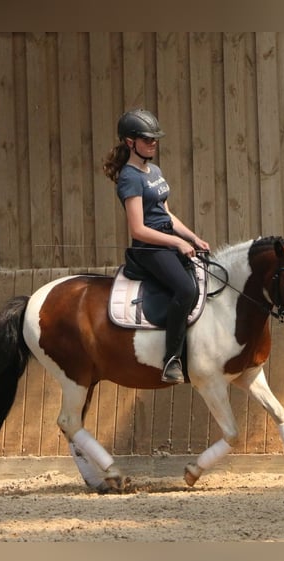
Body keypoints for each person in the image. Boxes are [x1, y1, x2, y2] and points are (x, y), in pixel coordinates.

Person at [103, 109, 210, 384]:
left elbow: (167, 215)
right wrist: (176, 242)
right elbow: (138, 229)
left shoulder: (154, 171)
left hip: (167, 241)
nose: (153, 144)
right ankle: (171, 359)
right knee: (185, 289)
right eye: (147, 139)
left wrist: (193, 237)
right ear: (130, 142)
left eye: (155, 139)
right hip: (149, 248)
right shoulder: (130, 177)